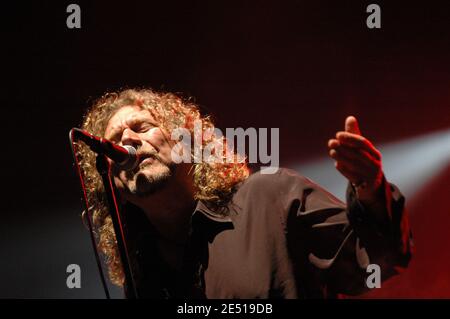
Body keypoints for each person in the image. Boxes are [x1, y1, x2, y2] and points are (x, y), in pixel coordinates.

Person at [77, 88, 412, 298]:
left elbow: (376, 265)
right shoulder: (142, 276)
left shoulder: (270, 196)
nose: (127, 142)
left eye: (142, 127)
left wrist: (370, 188)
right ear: (113, 185)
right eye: (116, 141)